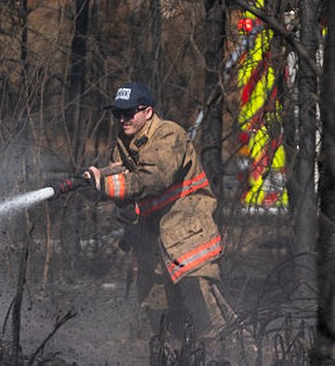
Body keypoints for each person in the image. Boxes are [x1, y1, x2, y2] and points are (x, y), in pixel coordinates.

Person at [55, 82, 230, 342]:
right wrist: (90, 184)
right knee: (161, 318)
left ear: (147, 112)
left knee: (202, 311)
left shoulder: (169, 135)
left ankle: (232, 356)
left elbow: (153, 177)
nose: (122, 119)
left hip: (187, 236)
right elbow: (124, 184)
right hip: (152, 245)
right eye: (118, 114)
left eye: (129, 113)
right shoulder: (122, 147)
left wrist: (105, 185)